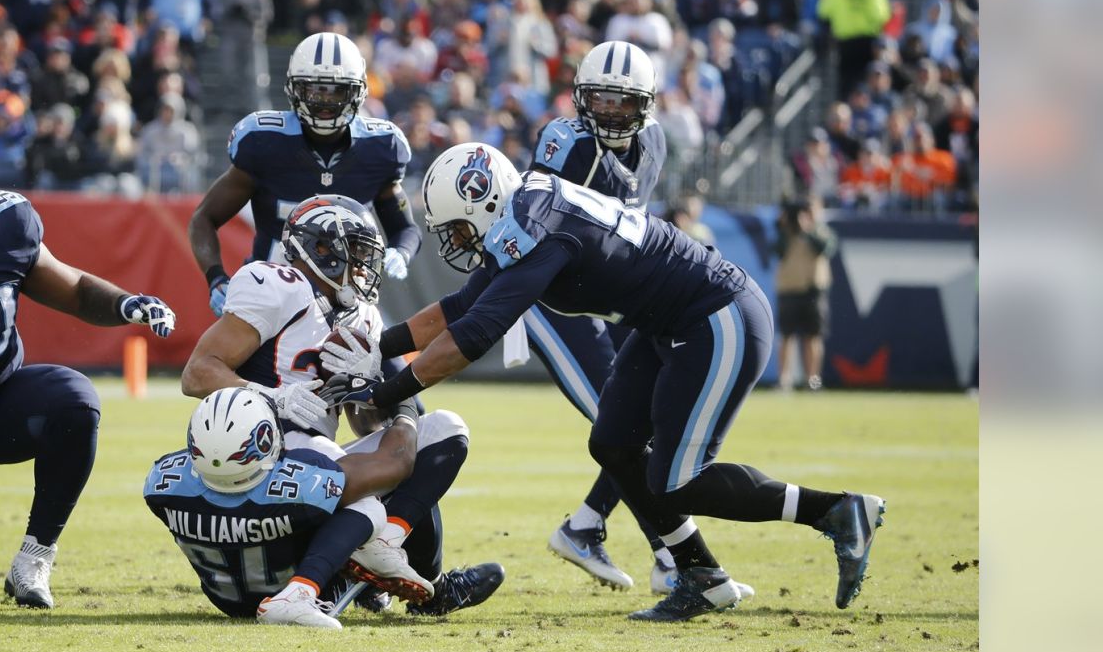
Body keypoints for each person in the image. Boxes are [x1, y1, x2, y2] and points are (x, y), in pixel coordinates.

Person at [322, 142, 886, 620]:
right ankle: (701, 578)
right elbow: (456, 308)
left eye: (460, 228)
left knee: (677, 478)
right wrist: (379, 345)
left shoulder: (535, 227)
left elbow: (474, 336)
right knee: (614, 444)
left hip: (718, 314)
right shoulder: (526, 210)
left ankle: (836, 511)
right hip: (667, 322)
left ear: (485, 202)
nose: (459, 242)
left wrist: (386, 391)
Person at [182, 195, 503, 618]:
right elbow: (197, 372)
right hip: (264, 454)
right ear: (321, 248)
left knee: (439, 432)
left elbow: (363, 424)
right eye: (357, 251)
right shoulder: (280, 286)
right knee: (372, 492)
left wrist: (367, 387)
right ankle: (372, 576)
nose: (364, 266)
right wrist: (271, 395)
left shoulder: (362, 316)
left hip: (321, 455)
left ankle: (392, 564)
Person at [521, 41, 748, 602]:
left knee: (636, 423)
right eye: (598, 98)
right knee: (615, 420)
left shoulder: (654, 141)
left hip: (616, 297)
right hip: (557, 301)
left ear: (646, 105)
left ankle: (586, 525)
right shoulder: (563, 143)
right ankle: (671, 557)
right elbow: (533, 226)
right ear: (580, 95)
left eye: (623, 102)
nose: (609, 111)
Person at [0, 135, 176, 609]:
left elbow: (72, 289)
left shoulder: (9, 224)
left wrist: (125, 303)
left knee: (74, 400)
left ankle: (35, 556)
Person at [189, 32, 420, 319]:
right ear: (293, 89)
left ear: (357, 92)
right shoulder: (263, 143)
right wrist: (216, 279)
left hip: (345, 302)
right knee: (219, 361)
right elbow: (204, 218)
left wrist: (401, 252)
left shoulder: (381, 149)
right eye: (315, 90)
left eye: (337, 91)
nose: (325, 103)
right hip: (268, 299)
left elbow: (405, 228)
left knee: (393, 365)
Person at [145, 386, 416, 629]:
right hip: (281, 588)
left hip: (225, 601)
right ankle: (302, 591)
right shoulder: (301, 481)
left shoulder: (162, 483)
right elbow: (391, 465)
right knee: (369, 507)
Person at [773, 196, 838, 391]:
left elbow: (825, 249)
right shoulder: (787, 233)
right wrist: (786, 225)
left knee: (813, 336)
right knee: (787, 336)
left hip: (813, 289)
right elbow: (778, 250)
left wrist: (808, 229)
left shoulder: (822, 231)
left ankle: (813, 380)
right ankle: (784, 380)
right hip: (789, 287)